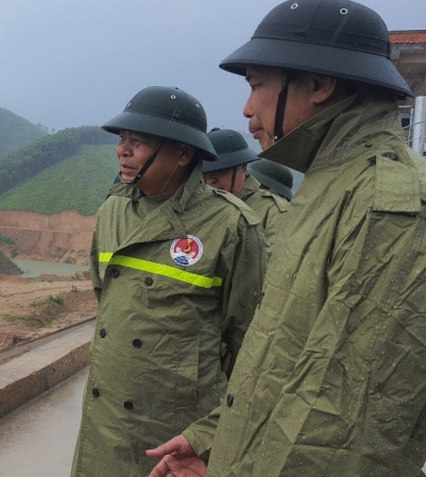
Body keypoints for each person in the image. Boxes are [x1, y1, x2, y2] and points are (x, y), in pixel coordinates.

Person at [147, 1, 426, 476]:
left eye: (257, 84)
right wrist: (217, 441)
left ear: (318, 85)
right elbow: (283, 354)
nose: (247, 108)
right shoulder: (329, 184)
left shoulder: (386, 204)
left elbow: (339, 428)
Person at [70, 86, 266, 476]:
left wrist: (211, 436)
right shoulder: (113, 210)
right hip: (105, 423)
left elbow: (250, 345)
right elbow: (106, 297)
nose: (122, 151)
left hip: (177, 431)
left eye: (138, 142)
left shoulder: (230, 225)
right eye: (123, 140)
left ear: (182, 153)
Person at [203, 128, 289, 244]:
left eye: (220, 171)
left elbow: (279, 259)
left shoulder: (272, 212)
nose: (209, 180)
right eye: (203, 172)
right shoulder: (195, 208)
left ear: (243, 167)